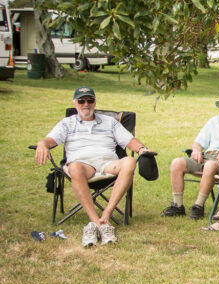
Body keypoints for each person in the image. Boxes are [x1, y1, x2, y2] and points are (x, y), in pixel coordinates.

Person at [34, 86, 151, 247]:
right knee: (74, 167)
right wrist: (42, 144)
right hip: (82, 165)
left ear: (95, 102)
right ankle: (96, 222)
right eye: (81, 101)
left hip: (108, 163)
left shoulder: (110, 122)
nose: (86, 104)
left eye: (90, 100)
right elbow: (50, 140)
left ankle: (106, 214)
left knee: (130, 161)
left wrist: (142, 149)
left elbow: (130, 141)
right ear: (75, 103)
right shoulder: (67, 123)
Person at [161, 89, 219, 220]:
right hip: (206, 155)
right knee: (177, 163)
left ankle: (198, 206)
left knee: (210, 166)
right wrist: (196, 150)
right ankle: (177, 206)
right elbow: (197, 142)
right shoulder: (214, 121)